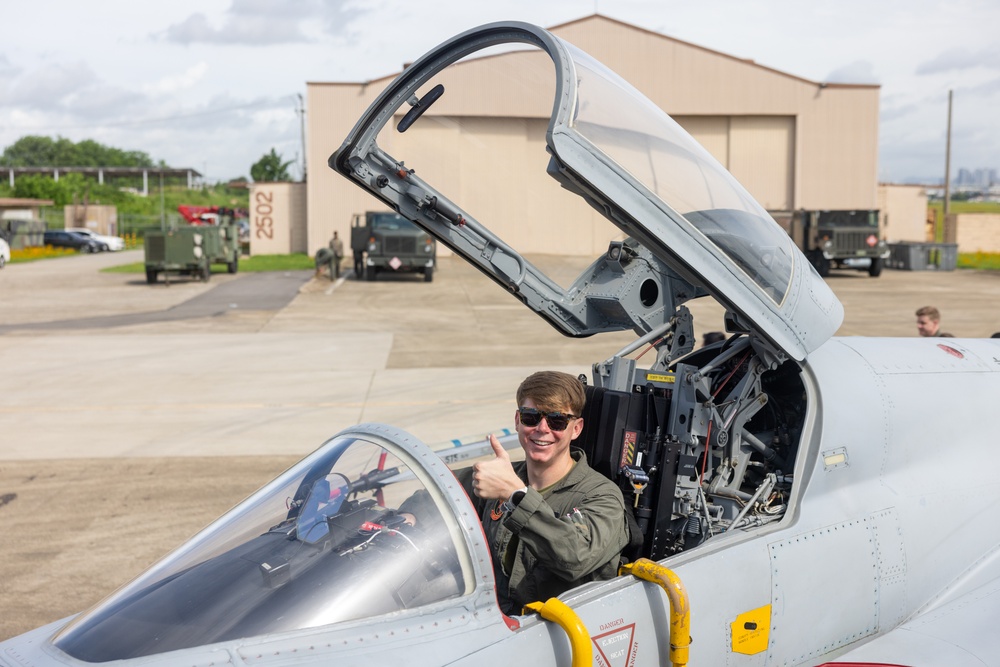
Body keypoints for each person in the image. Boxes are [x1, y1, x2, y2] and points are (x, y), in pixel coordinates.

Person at [457, 370, 629, 615]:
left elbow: (575, 557)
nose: (542, 428)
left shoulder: (602, 496)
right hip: (496, 625)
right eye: (531, 417)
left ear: (576, 428)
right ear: (517, 420)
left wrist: (515, 496)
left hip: (558, 638)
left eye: (557, 420)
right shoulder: (503, 476)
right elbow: (440, 489)